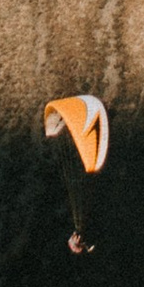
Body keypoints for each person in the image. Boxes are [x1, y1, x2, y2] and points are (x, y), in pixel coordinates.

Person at [42, 91, 110, 253]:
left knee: (79, 225)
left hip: (77, 238)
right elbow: (84, 244)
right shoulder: (79, 240)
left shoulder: (74, 240)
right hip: (79, 238)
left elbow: (79, 241)